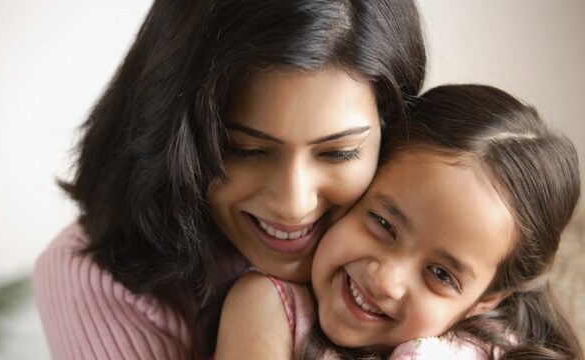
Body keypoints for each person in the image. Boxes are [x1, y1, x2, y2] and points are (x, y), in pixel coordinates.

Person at [32, 0, 427, 358]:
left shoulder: (438, 247)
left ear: (392, 128)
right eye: (245, 150)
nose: (294, 204)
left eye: (337, 153)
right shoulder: (94, 276)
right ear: (173, 135)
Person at [215, 84, 583, 360]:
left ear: (485, 300)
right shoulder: (269, 307)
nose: (386, 280)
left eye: (440, 274)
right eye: (384, 225)